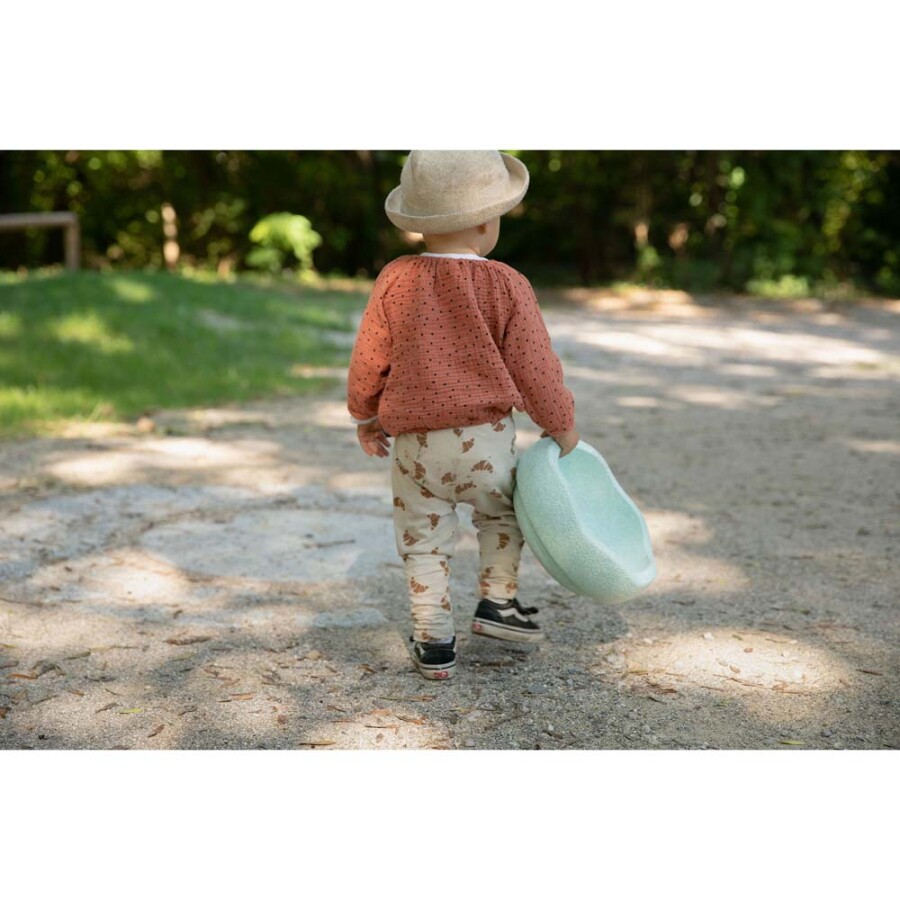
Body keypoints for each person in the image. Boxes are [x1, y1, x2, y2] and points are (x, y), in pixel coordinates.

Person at [347, 150, 578, 680]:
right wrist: (561, 423)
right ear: (484, 221)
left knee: (423, 540)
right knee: (504, 514)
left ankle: (434, 641)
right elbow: (535, 366)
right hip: (486, 441)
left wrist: (364, 414)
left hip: (415, 448)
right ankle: (498, 601)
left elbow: (370, 356)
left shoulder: (396, 278)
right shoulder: (507, 283)